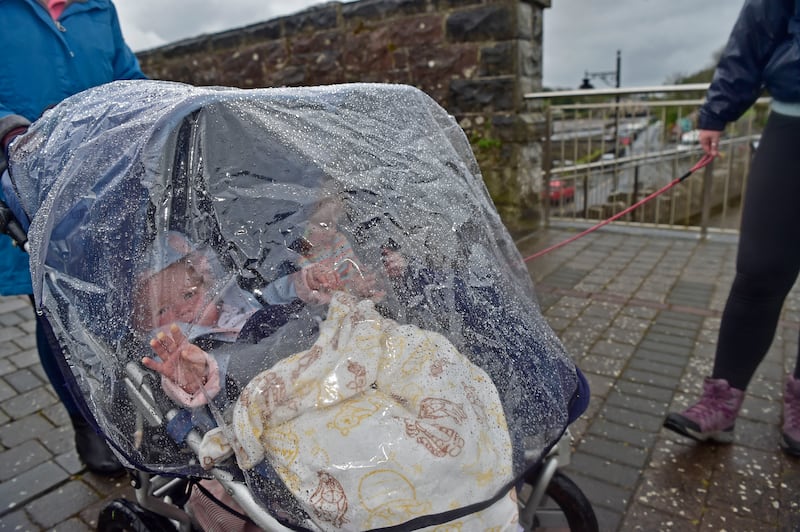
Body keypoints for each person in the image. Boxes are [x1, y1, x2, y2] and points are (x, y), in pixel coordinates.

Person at [0, 0, 148, 475]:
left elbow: (127, 73)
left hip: (106, 183)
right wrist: (8, 129)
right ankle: (87, 420)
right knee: (54, 317)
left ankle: (135, 401)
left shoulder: (96, 6)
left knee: (126, 300)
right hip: (25, 186)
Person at [663, 0, 800, 457]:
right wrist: (718, 110)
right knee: (759, 270)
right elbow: (757, 27)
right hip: (792, 123)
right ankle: (720, 403)